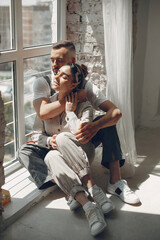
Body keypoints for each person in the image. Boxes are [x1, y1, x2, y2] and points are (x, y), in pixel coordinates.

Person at [19, 40, 140, 205]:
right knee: (24, 151)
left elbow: (115, 112)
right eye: (52, 60)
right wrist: (70, 95)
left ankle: (115, 182)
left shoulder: (86, 85)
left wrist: (95, 126)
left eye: (60, 60)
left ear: (72, 61)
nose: (54, 65)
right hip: (52, 144)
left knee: (107, 123)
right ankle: (69, 183)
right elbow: (42, 113)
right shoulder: (42, 83)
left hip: (79, 141)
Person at [38, 62, 116, 236]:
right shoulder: (48, 105)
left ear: (74, 84)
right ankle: (89, 207)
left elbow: (81, 135)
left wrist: (71, 112)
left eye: (64, 76)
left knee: (64, 137)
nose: (56, 77)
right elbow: (38, 136)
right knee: (50, 157)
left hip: (83, 153)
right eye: (57, 73)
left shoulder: (84, 105)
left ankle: (94, 189)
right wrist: (49, 140)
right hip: (62, 159)